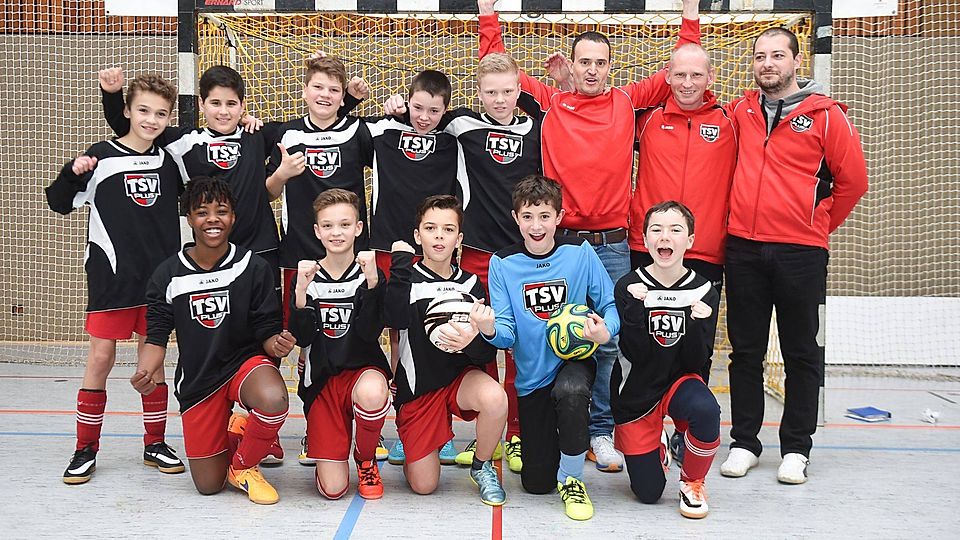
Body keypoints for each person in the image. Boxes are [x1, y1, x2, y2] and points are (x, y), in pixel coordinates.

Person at [478, 0, 701, 473]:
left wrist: (690, 12)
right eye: (585, 62)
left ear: (610, 67)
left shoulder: (626, 101)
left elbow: (683, 64)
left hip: (615, 245)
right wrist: (487, 14)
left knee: (607, 341)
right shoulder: (552, 100)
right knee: (540, 333)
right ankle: (533, 427)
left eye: (601, 63)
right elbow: (499, 72)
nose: (593, 70)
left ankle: (601, 431)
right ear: (572, 66)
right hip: (565, 245)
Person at [718, 27, 868, 484]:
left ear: (796, 62)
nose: (768, 63)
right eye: (760, 56)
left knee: (802, 352)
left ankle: (797, 448)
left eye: (777, 56)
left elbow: (853, 182)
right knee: (745, 351)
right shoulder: (740, 110)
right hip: (743, 247)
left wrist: (814, 225)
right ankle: (744, 442)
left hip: (801, 253)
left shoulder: (827, 116)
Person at [381, 50, 542, 473]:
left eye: (507, 91)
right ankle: (417, 420)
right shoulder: (460, 123)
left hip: (519, 256)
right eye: (490, 92)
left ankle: (515, 434)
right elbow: (417, 115)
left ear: (519, 91)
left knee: (509, 341)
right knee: (417, 331)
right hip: (473, 252)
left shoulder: (538, 127)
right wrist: (394, 107)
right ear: (478, 94)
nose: (499, 99)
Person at [46, 73, 184, 485]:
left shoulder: (169, 159)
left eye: (160, 114)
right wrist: (73, 171)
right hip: (112, 278)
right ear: (125, 111)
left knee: (153, 365)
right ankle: (85, 448)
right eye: (143, 110)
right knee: (101, 359)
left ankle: (154, 443)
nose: (151, 119)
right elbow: (57, 202)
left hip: (159, 281)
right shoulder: (100, 157)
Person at [130, 176, 295, 505]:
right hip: (200, 379)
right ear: (189, 218)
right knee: (208, 485)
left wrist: (276, 343)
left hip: (243, 365)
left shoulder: (254, 267)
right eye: (202, 212)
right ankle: (239, 428)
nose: (212, 219)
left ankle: (244, 466)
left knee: (274, 398)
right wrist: (146, 370)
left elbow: (265, 327)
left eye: (221, 211)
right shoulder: (168, 274)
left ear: (233, 217)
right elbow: (157, 332)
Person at [472, 175, 619, 521]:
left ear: (559, 216)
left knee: (571, 392)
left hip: (574, 361)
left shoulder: (579, 254)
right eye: (527, 216)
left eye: (544, 216)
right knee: (537, 483)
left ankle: (573, 479)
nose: (536, 226)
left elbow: (611, 306)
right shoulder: (503, 264)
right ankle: (557, 451)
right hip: (532, 377)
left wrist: (604, 332)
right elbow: (507, 333)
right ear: (515, 218)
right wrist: (489, 328)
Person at [624, 42, 736, 464]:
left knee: (697, 348)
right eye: (679, 75)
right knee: (643, 344)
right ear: (666, 76)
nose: (687, 83)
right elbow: (599, 121)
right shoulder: (647, 119)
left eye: (697, 75)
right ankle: (643, 425)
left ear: (710, 78)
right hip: (647, 248)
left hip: (705, 252)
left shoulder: (730, 120)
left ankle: (687, 431)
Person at [383, 195, 507, 507]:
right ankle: (419, 442)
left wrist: (475, 340)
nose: (439, 236)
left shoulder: (471, 283)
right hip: (420, 387)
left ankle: (482, 467)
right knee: (424, 486)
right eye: (431, 228)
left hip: (458, 381)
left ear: (459, 238)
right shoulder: (406, 280)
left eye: (448, 229)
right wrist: (399, 264)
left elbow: (484, 357)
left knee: (495, 397)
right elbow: (393, 321)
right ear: (417, 235)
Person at [613, 201, 721, 519]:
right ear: (645, 240)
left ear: (689, 240)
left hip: (679, 381)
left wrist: (698, 324)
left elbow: (697, 360)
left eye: (676, 230)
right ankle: (657, 442)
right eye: (656, 230)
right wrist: (635, 310)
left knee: (705, 409)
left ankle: (693, 481)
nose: (665, 237)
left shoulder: (704, 291)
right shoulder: (628, 286)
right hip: (637, 391)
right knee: (648, 494)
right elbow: (635, 353)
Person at [287, 188, 391, 500]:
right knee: (333, 491)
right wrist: (301, 296)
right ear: (317, 231)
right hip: (323, 381)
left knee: (374, 393)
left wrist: (373, 285)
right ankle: (329, 438)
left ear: (358, 228)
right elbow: (302, 338)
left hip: (361, 372)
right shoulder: (306, 275)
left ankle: (365, 456)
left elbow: (370, 332)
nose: (337, 232)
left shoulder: (368, 273)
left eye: (345, 224)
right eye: (329, 226)